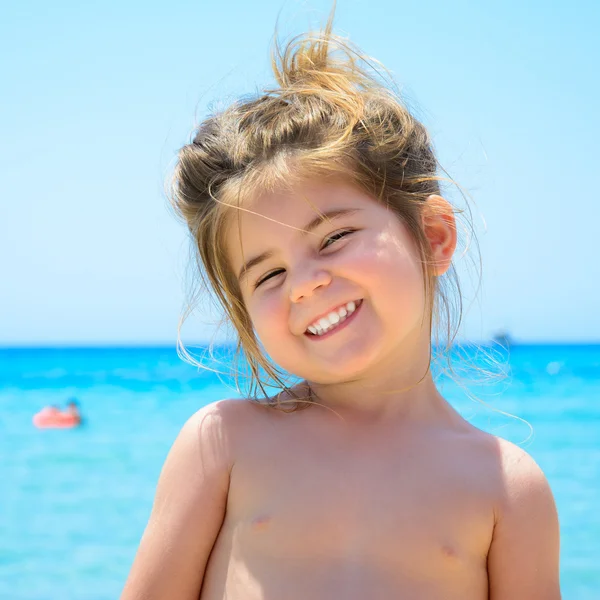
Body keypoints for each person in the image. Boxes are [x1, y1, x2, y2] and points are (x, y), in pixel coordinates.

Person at [121, 11, 561, 600]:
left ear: (433, 236)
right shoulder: (225, 443)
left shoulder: (507, 488)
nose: (303, 284)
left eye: (332, 238)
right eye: (269, 273)